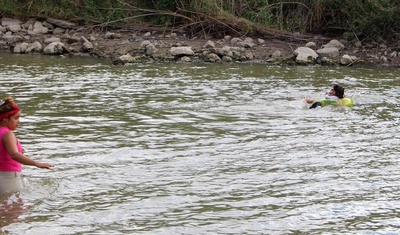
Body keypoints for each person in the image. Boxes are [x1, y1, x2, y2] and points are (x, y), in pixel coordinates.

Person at [0, 97, 53, 195]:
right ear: (5, 119)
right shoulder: (7, 134)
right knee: (14, 208)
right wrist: (36, 163)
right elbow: (14, 155)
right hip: (8, 177)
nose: (18, 121)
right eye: (16, 118)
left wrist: (18, 148)